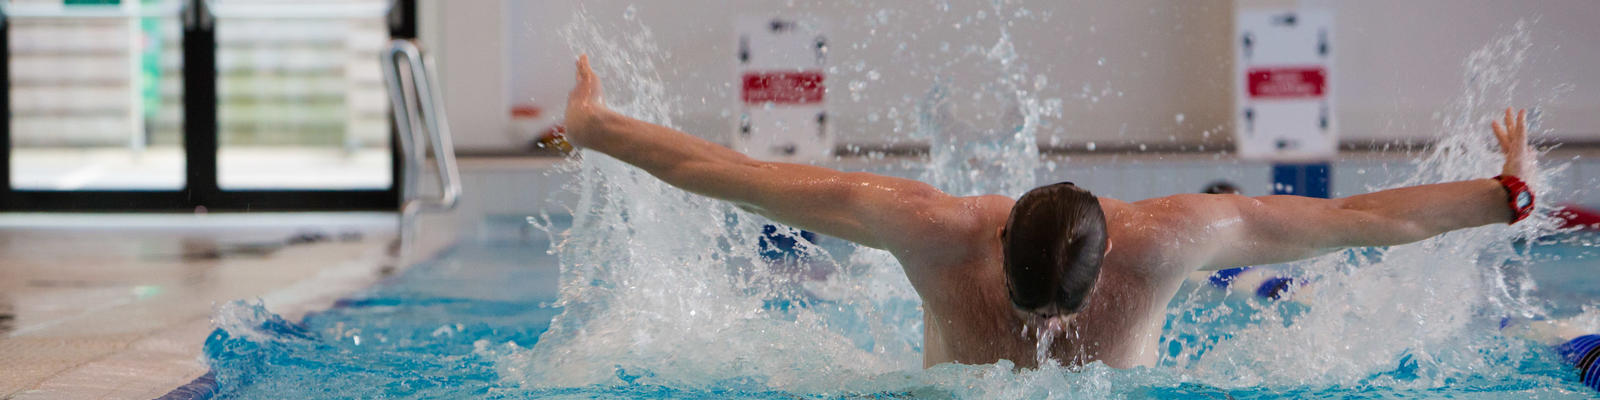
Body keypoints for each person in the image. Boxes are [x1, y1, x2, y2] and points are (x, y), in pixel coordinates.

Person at [560, 55, 1541, 369]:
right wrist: (597, 129)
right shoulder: (923, 221)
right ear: (991, 242)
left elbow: (1365, 221)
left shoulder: (1172, 237)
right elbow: (732, 174)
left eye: (1049, 318)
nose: (1042, 339)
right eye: (1031, 313)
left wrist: (1507, 195)